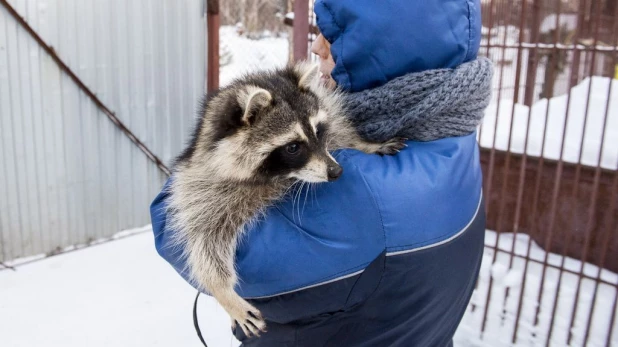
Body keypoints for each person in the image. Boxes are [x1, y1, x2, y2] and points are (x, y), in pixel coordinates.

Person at [150, 0, 493, 345]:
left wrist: (207, 156)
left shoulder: (363, 193)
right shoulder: (450, 142)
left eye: (333, 38)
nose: (315, 46)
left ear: (380, 51)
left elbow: (175, 233)